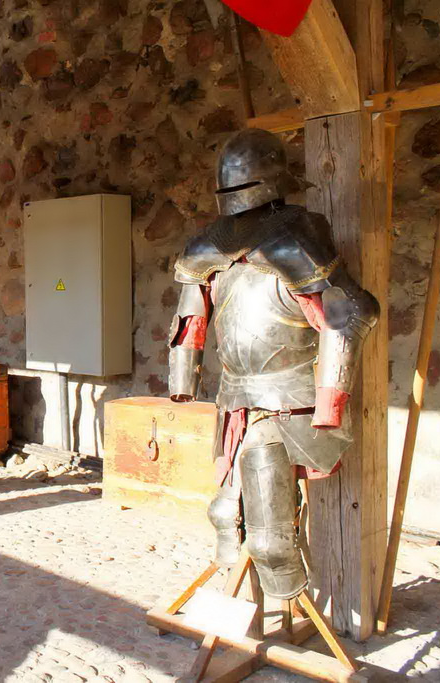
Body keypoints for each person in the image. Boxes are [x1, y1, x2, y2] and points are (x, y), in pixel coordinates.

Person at [167, 128, 379, 599]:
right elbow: (189, 317)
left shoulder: (295, 234)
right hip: (235, 396)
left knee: (270, 540)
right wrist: (183, 383)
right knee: (224, 514)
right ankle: (243, 603)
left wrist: (330, 402)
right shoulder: (210, 246)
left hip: (286, 397)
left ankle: (285, 602)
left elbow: (349, 313)